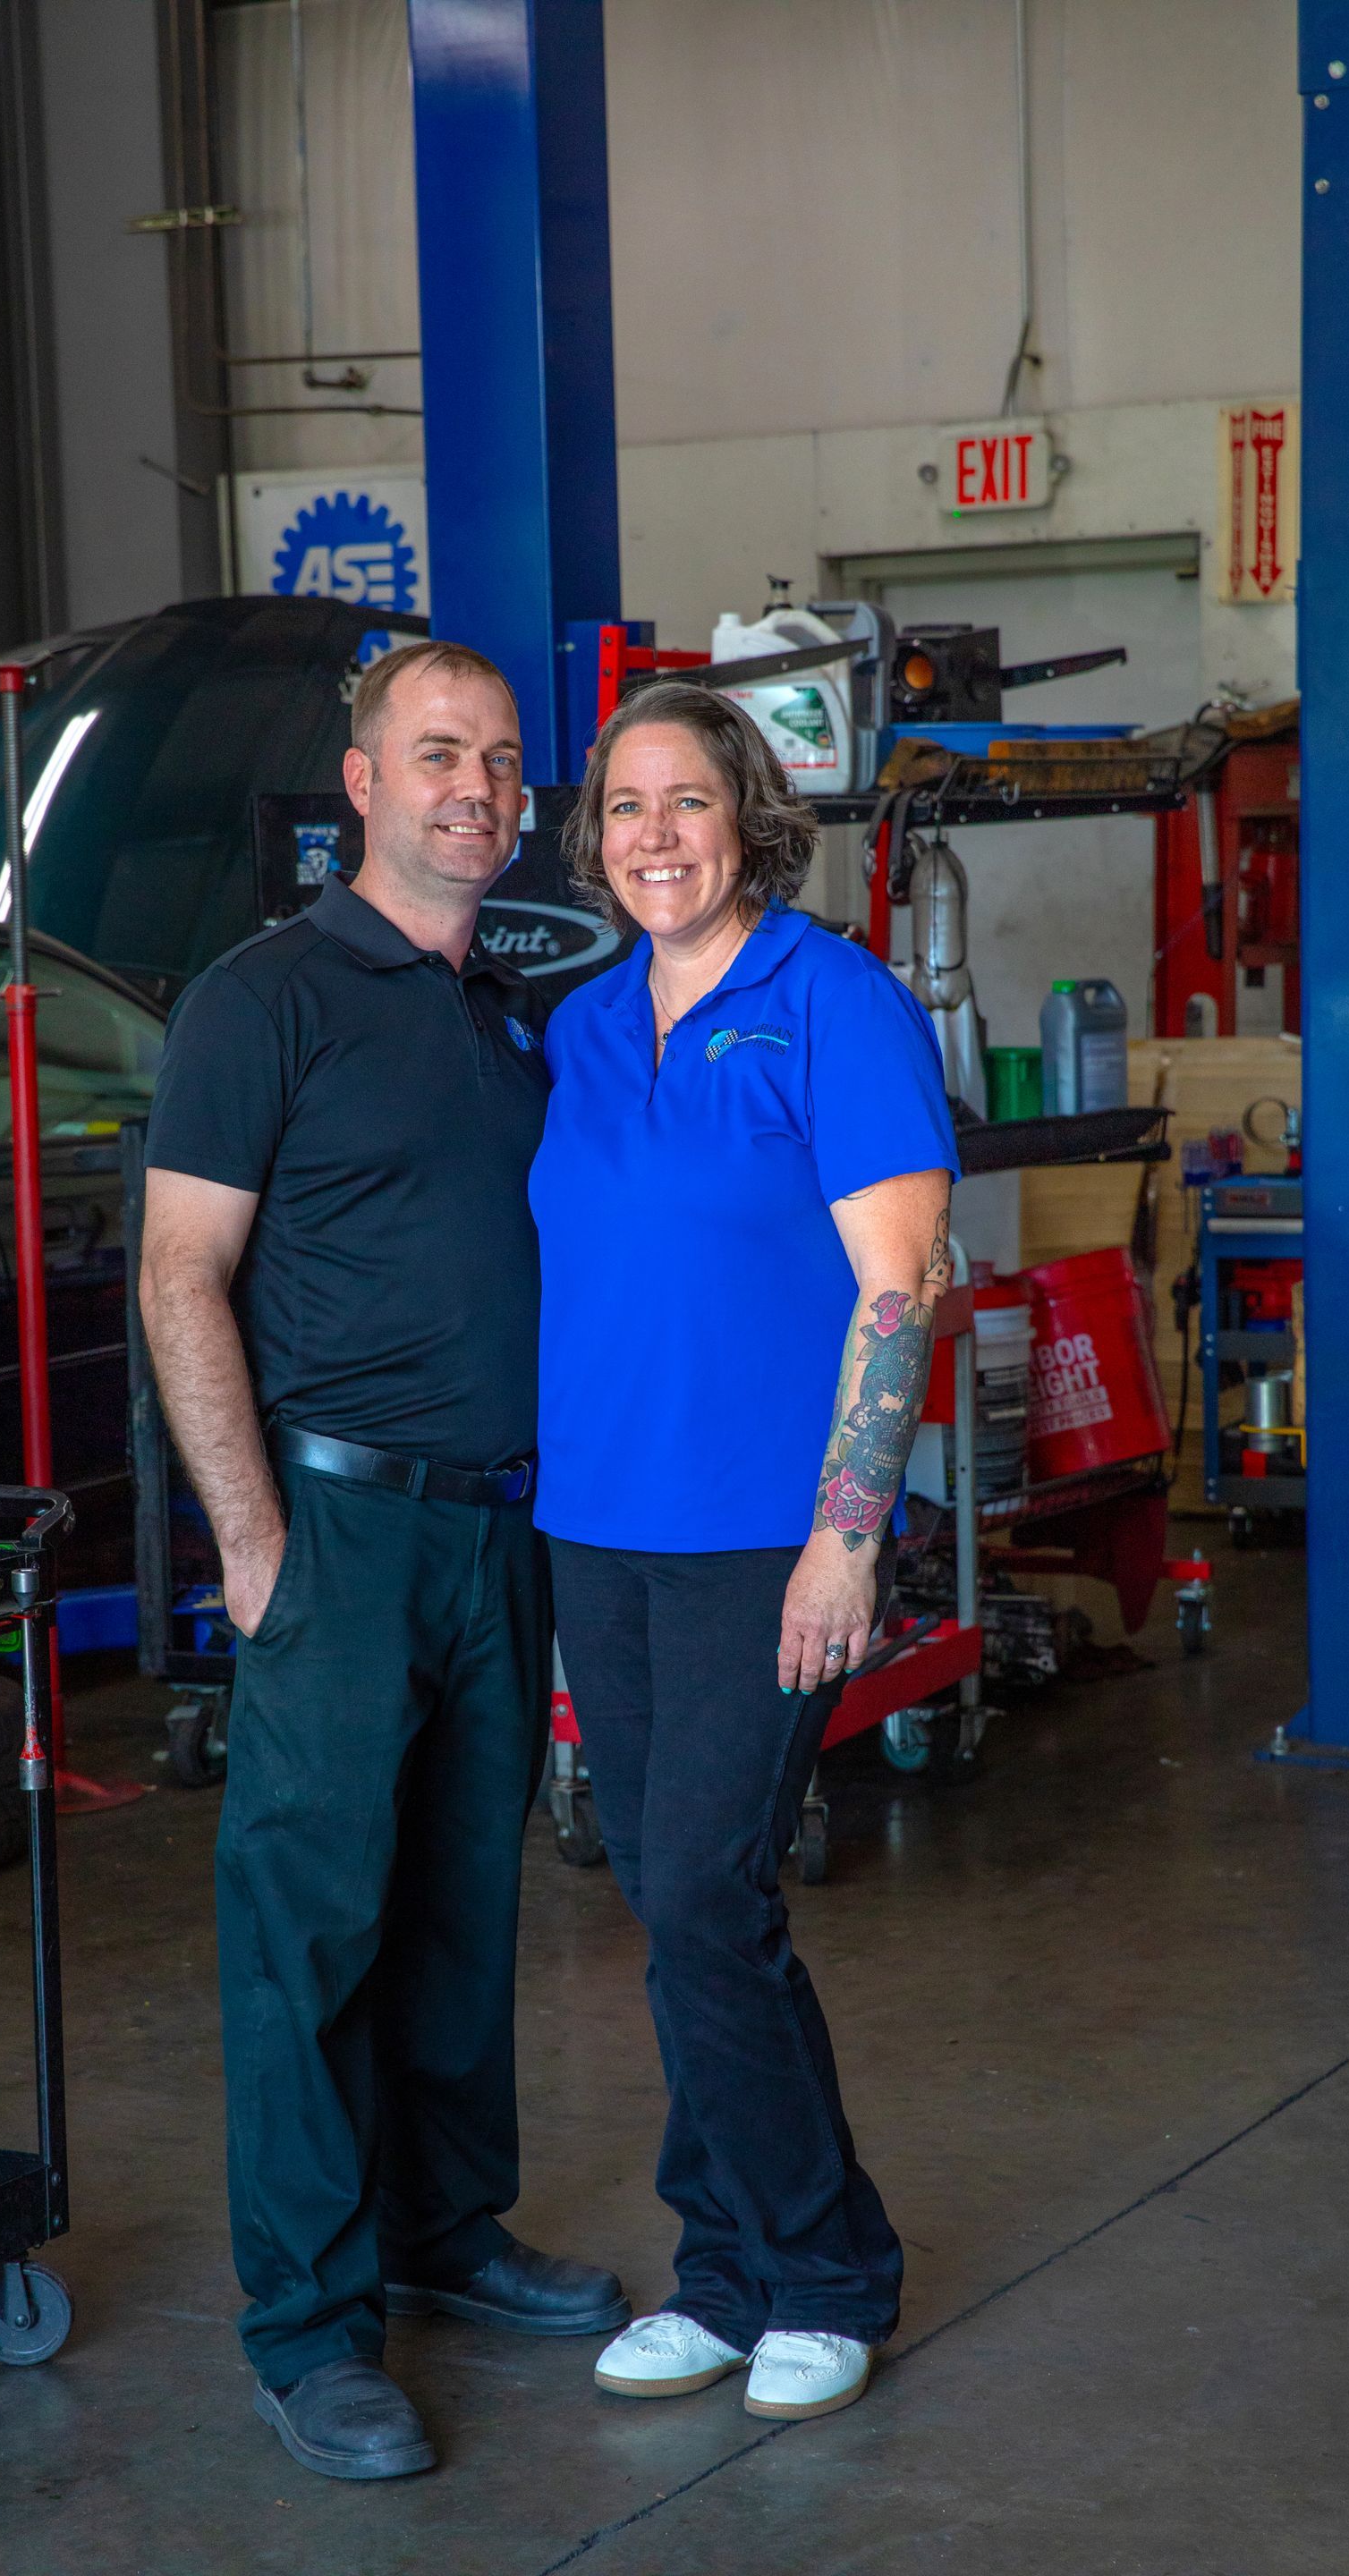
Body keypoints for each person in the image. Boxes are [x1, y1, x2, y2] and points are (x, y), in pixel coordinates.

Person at [139, 640, 628, 2486]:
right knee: (309, 1935)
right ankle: (311, 2325)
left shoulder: (507, 1013)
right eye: (440, 756)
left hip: (494, 1531)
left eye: (503, 762)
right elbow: (181, 1275)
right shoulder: (262, 1002)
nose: (479, 791)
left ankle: (446, 2232)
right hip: (334, 1527)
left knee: (454, 1918)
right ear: (360, 782)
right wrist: (252, 1544)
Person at [529, 682, 958, 2425]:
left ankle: (827, 2268)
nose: (654, 836)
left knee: (710, 1898)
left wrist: (843, 1544)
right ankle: (718, 2271)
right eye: (625, 806)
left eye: (686, 803)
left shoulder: (831, 1004)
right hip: (597, 1531)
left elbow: (901, 1287)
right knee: (670, 1905)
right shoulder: (580, 1026)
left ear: (750, 817)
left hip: (761, 1546)